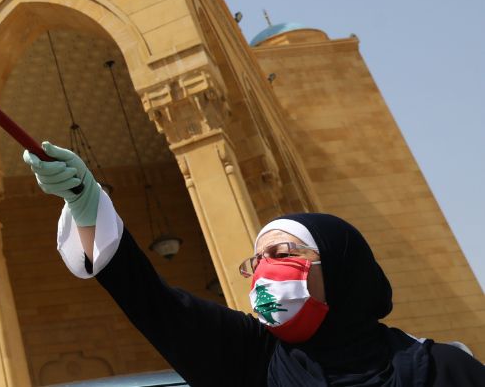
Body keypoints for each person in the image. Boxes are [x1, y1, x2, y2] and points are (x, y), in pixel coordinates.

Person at [24, 142, 485, 386]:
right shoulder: (253, 361)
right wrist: (87, 206)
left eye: (283, 255)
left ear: (342, 271)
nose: (265, 271)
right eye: (257, 259)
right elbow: (156, 306)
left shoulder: (445, 369)